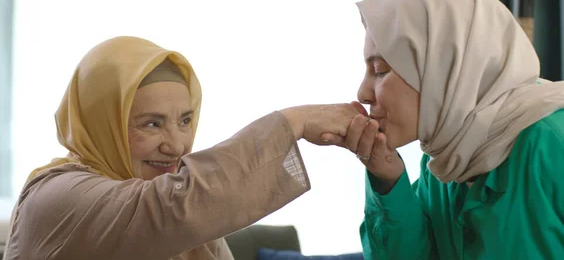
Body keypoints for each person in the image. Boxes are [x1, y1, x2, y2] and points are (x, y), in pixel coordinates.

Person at [2, 36, 361, 260]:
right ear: (100, 122)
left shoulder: (181, 215)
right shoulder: (54, 197)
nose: (177, 145)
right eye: (152, 123)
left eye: (186, 120)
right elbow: (170, 207)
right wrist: (293, 122)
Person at [346, 0, 564, 259]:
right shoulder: (447, 161)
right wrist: (388, 178)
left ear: (443, 67)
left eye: (380, 70)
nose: (363, 93)